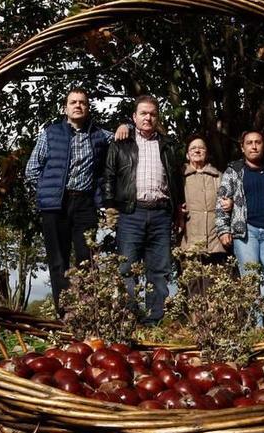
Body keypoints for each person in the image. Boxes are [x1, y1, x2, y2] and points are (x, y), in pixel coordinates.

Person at [25, 87, 113, 317]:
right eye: (73, 102)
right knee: (58, 260)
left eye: (82, 102)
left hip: (85, 203)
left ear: (88, 107)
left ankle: (88, 312)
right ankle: (65, 313)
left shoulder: (101, 135)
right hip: (56, 205)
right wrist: (48, 190)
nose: (78, 105)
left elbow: (127, 136)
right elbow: (32, 169)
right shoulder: (50, 133)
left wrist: (127, 126)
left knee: (88, 259)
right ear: (65, 108)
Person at [103, 95, 183, 326]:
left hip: (161, 214)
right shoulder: (121, 143)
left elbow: (176, 180)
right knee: (127, 269)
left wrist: (177, 209)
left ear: (157, 117)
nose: (148, 117)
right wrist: (110, 205)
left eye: (152, 114)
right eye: (143, 113)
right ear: (134, 117)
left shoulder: (168, 146)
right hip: (131, 213)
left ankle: (153, 323)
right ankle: (128, 320)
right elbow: (109, 175)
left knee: (159, 271)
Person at [215, 130, 264, 331]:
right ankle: (256, 326)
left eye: (258, 142)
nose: (254, 146)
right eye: (249, 143)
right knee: (250, 280)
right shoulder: (234, 171)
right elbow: (222, 201)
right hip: (245, 231)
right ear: (242, 147)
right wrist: (224, 229)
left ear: (263, 145)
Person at [180, 135, 226, 262]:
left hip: (215, 243)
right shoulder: (179, 177)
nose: (197, 150)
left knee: (216, 280)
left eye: (201, 148)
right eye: (193, 148)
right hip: (188, 243)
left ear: (207, 153)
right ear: (187, 155)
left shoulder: (218, 177)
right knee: (191, 281)